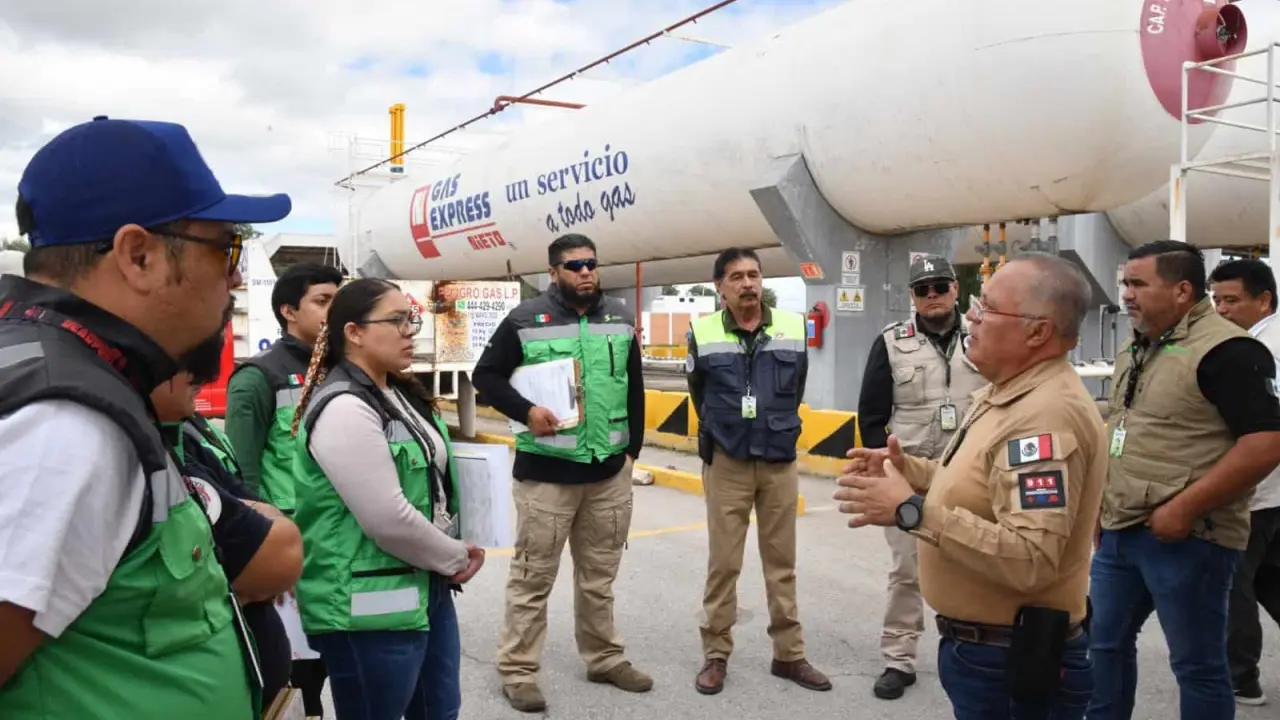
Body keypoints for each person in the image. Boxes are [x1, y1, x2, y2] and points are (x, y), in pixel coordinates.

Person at [0, 115, 290, 717]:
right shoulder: (66, 426)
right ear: (138, 255)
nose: (236, 276)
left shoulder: (75, 375)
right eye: (227, 246)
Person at [836, 252, 1106, 720]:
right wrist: (911, 469)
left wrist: (912, 510)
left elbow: (1030, 558)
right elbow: (979, 479)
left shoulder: (1042, 416)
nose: (973, 320)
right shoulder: (1008, 392)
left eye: (987, 309)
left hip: (1009, 658)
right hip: (987, 652)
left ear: (1037, 331)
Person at [1087, 241, 1280, 720]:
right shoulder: (1141, 344)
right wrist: (1100, 505)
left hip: (1190, 537)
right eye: (1125, 283)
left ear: (1182, 290)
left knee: (1197, 665)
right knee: (1103, 644)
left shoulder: (1229, 351)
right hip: (1121, 530)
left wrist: (1184, 509)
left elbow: (1266, 442)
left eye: (1138, 284)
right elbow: (1129, 427)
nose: (1126, 294)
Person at [289, 278, 485, 720]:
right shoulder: (344, 406)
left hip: (422, 585)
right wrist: (455, 555)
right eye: (396, 320)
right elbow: (387, 518)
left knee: (439, 711)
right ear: (353, 332)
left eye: (411, 319)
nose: (410, 330)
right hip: (367, 608)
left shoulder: (396, 395)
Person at [474, 233, 648, 713]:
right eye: (574, 266)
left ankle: (605, 658)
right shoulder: (524, 320)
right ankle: (519, 670)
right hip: (547, 476)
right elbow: (484, 376)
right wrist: (526, 410)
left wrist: (631, 450)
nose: (586, 272)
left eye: (591, 263)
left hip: (608, 473)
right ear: (553, 273)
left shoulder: (620, 317)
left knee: (599, 577)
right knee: (532, 578)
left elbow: (633, 386)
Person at [685, 247, 832, 696]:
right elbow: (699, 392)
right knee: (723, 565)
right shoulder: (702, 330)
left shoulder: (790, 326)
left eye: (753, 275)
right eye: (736, 277)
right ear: (720, 287)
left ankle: (789, 655)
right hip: (727, 460)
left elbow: (796, 384)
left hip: (778, 460)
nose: (747, 284)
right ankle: (715, 655)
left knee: (781, 564)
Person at [855, 253, 988, 700]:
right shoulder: (891, 342)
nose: (932, 295)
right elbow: (872, 415)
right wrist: (887, 465)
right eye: (922, 289)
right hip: (909, 475)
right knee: (907, 571)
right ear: (911, 297)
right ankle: (899, 658)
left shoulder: (983, 337)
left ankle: (977, 650)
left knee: (975, 562)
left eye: (939, 286)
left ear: (955, 288)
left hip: (971, 473)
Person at [152, 327, 305, 710]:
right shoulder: (146, 442)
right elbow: (273, 552)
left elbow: (241, 493)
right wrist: (256, 554)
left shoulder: (186, 430)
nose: (201, 376)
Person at [225, 261, 340, 713]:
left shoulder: (350, 368)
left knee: (341, 654)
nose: (333, 310)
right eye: (322, 301)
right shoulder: (259, 377)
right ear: (289, 311)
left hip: (345, 536)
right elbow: (242, 479)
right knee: (299, 666)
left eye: (338, 299)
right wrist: (265, 552)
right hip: (292, 539)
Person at [1208, 258, 1280, 706]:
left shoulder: (1260, 349)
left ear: (1264, 300)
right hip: (1274, 493)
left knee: (1235, 586)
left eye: (1231, 300)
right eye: (1215, 300)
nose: (1221, 310)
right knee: (1272, 578)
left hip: (1256, 491)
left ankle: (1240, 676)